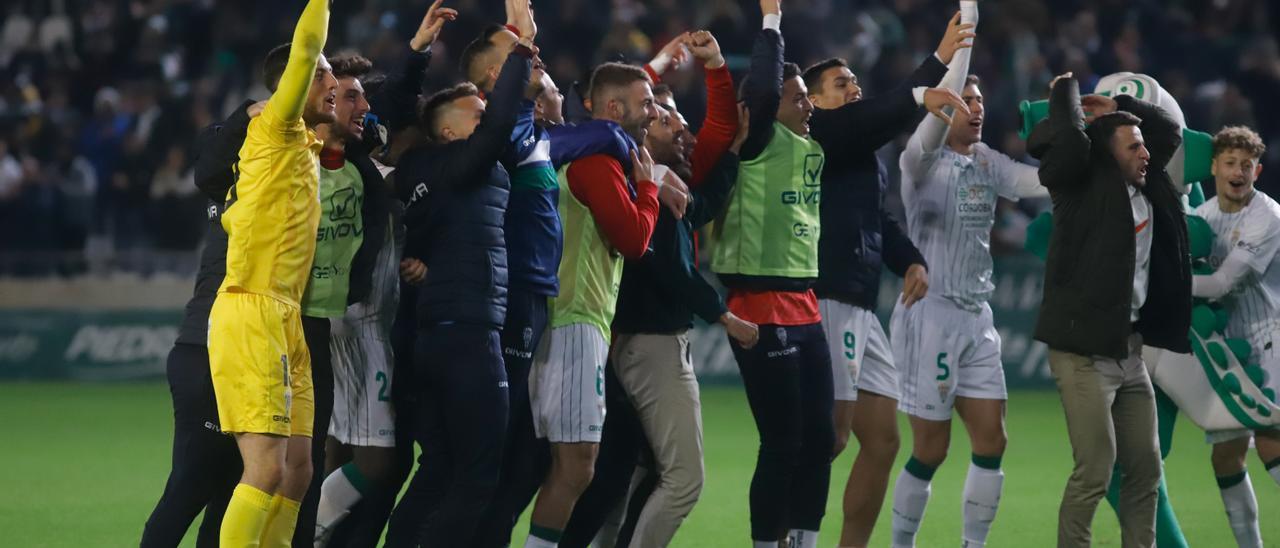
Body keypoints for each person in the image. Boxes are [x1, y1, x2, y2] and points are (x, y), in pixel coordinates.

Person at [559, 30, 755, 547]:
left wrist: (675, 59)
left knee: (618, 473)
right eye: (658, 111)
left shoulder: (648, 171)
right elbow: (657, 258)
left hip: (619, 336)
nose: (665, 119)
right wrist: (722, 313)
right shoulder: (636, 173)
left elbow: (702, 203)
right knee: (669, 478)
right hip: (632, 336)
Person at [801, 7, 971, 546]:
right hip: (829, 298)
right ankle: (791, 536)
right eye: (839, 82)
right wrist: (939, 61)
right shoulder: (820, 136)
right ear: (814, 102)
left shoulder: (860, 152)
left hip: (860, 304)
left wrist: (911, 259)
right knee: (829, 437)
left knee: (881, 441)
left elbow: (878, 221)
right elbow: (880, 115)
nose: (852, 87)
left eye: (853, 79)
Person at [890, 4, 1050, 547]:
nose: (976, 110)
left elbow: (1037, 184)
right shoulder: (920, 159)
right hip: (929, 314)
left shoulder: (987, 162)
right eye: (967, 102)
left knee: (992, 440)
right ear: (948, 108)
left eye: (980, 103)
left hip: (977, 317)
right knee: (931, 449)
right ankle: (901, 543)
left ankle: (972, 545)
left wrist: (1083, 151)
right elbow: (938, 115)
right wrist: (967, 34)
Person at [380, 4, 536, 543]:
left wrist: (416, 54)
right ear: (448, 134)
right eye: (476, 110)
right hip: (470, 334)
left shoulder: (420, 172)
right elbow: (496, 132)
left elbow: (400, 118)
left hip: (433, 334)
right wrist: (520, 43)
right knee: (478, 476)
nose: (488, 113)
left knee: (439, 470)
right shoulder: (462, 165)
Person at [1028, 72, 1191, 548]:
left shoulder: (1148, 183)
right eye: (1133, 147)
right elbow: (1063, 145)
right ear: (1105, 152)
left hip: (1130, 351)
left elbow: (1169, 132)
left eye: (1144, 147)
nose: (1145, 153)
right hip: (1083, 354)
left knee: (1145, 473)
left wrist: (1120, 106)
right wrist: (1069, 98)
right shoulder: (1078, 186)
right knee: (1094, 473)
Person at [205, 0, 334, 544]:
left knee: (299, 470)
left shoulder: (304, 147)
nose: (332, 83)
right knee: (266, 470)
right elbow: (306, 48)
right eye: (324, 76)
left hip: (285, 315)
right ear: (292, 86)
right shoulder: (278, 129)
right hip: (251, 307)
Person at [523, 61, 663, 548]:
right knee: (577, 463)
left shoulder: (583, 154)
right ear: (613, 109)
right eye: (646, 104)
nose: (653, 112)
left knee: (558, 464)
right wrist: (650, 191)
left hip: (564, 318)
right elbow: (633, 239)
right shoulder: (596, 162)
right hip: (575, 320)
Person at [708, 2, 832, 546]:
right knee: (782, 441)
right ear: (764, 106)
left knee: (820, 437)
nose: (808, 105)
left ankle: (801, 540)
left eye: (807, 96)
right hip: (757, 303)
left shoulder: (809, 147)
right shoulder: (754, 139)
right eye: (797, 96)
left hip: (804, 303)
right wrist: (772, 22)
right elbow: (760, 89)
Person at [1190, 125, 1280, 548]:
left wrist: (1169, 280)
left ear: (1258, 171)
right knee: (1226, 456)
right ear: (1213, 167)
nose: (1238, 172)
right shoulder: (1201, 219)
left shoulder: (1267, 215)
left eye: (1247, 165)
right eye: (1230, 163)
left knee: (1270, 437)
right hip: (1226, 349)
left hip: (1272, 336)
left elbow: (1223, 283)